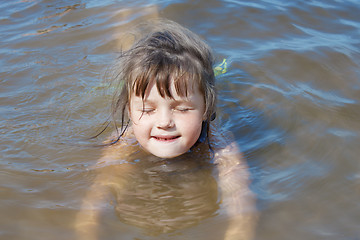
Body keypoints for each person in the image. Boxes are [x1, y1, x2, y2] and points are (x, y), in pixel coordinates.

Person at [75, 19, 256, 240]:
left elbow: (242, 209)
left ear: (206, 109)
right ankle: (123, 17)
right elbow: (93, 204)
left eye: (181, 108)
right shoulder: (123, 142)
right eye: (148, 110)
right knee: (124, 41)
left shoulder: (220, 145)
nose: (164, 122)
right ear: (130, 112)